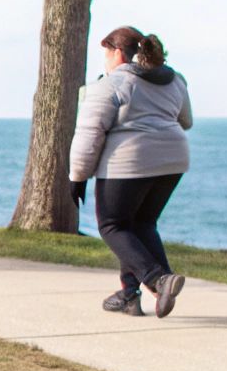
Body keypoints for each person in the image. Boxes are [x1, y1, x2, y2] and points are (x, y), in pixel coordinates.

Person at [69, 26, 193, 318]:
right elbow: (185, 120)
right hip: (172, 161)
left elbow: (89, 134)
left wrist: (77, 177)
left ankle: (158, 279)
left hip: (129, 163)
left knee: (112, 225)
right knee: (141, 224)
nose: (105, 61)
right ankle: (128, 294)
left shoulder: (110, 85)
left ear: (118, 53)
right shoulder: (174, 80)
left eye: (106, 53)